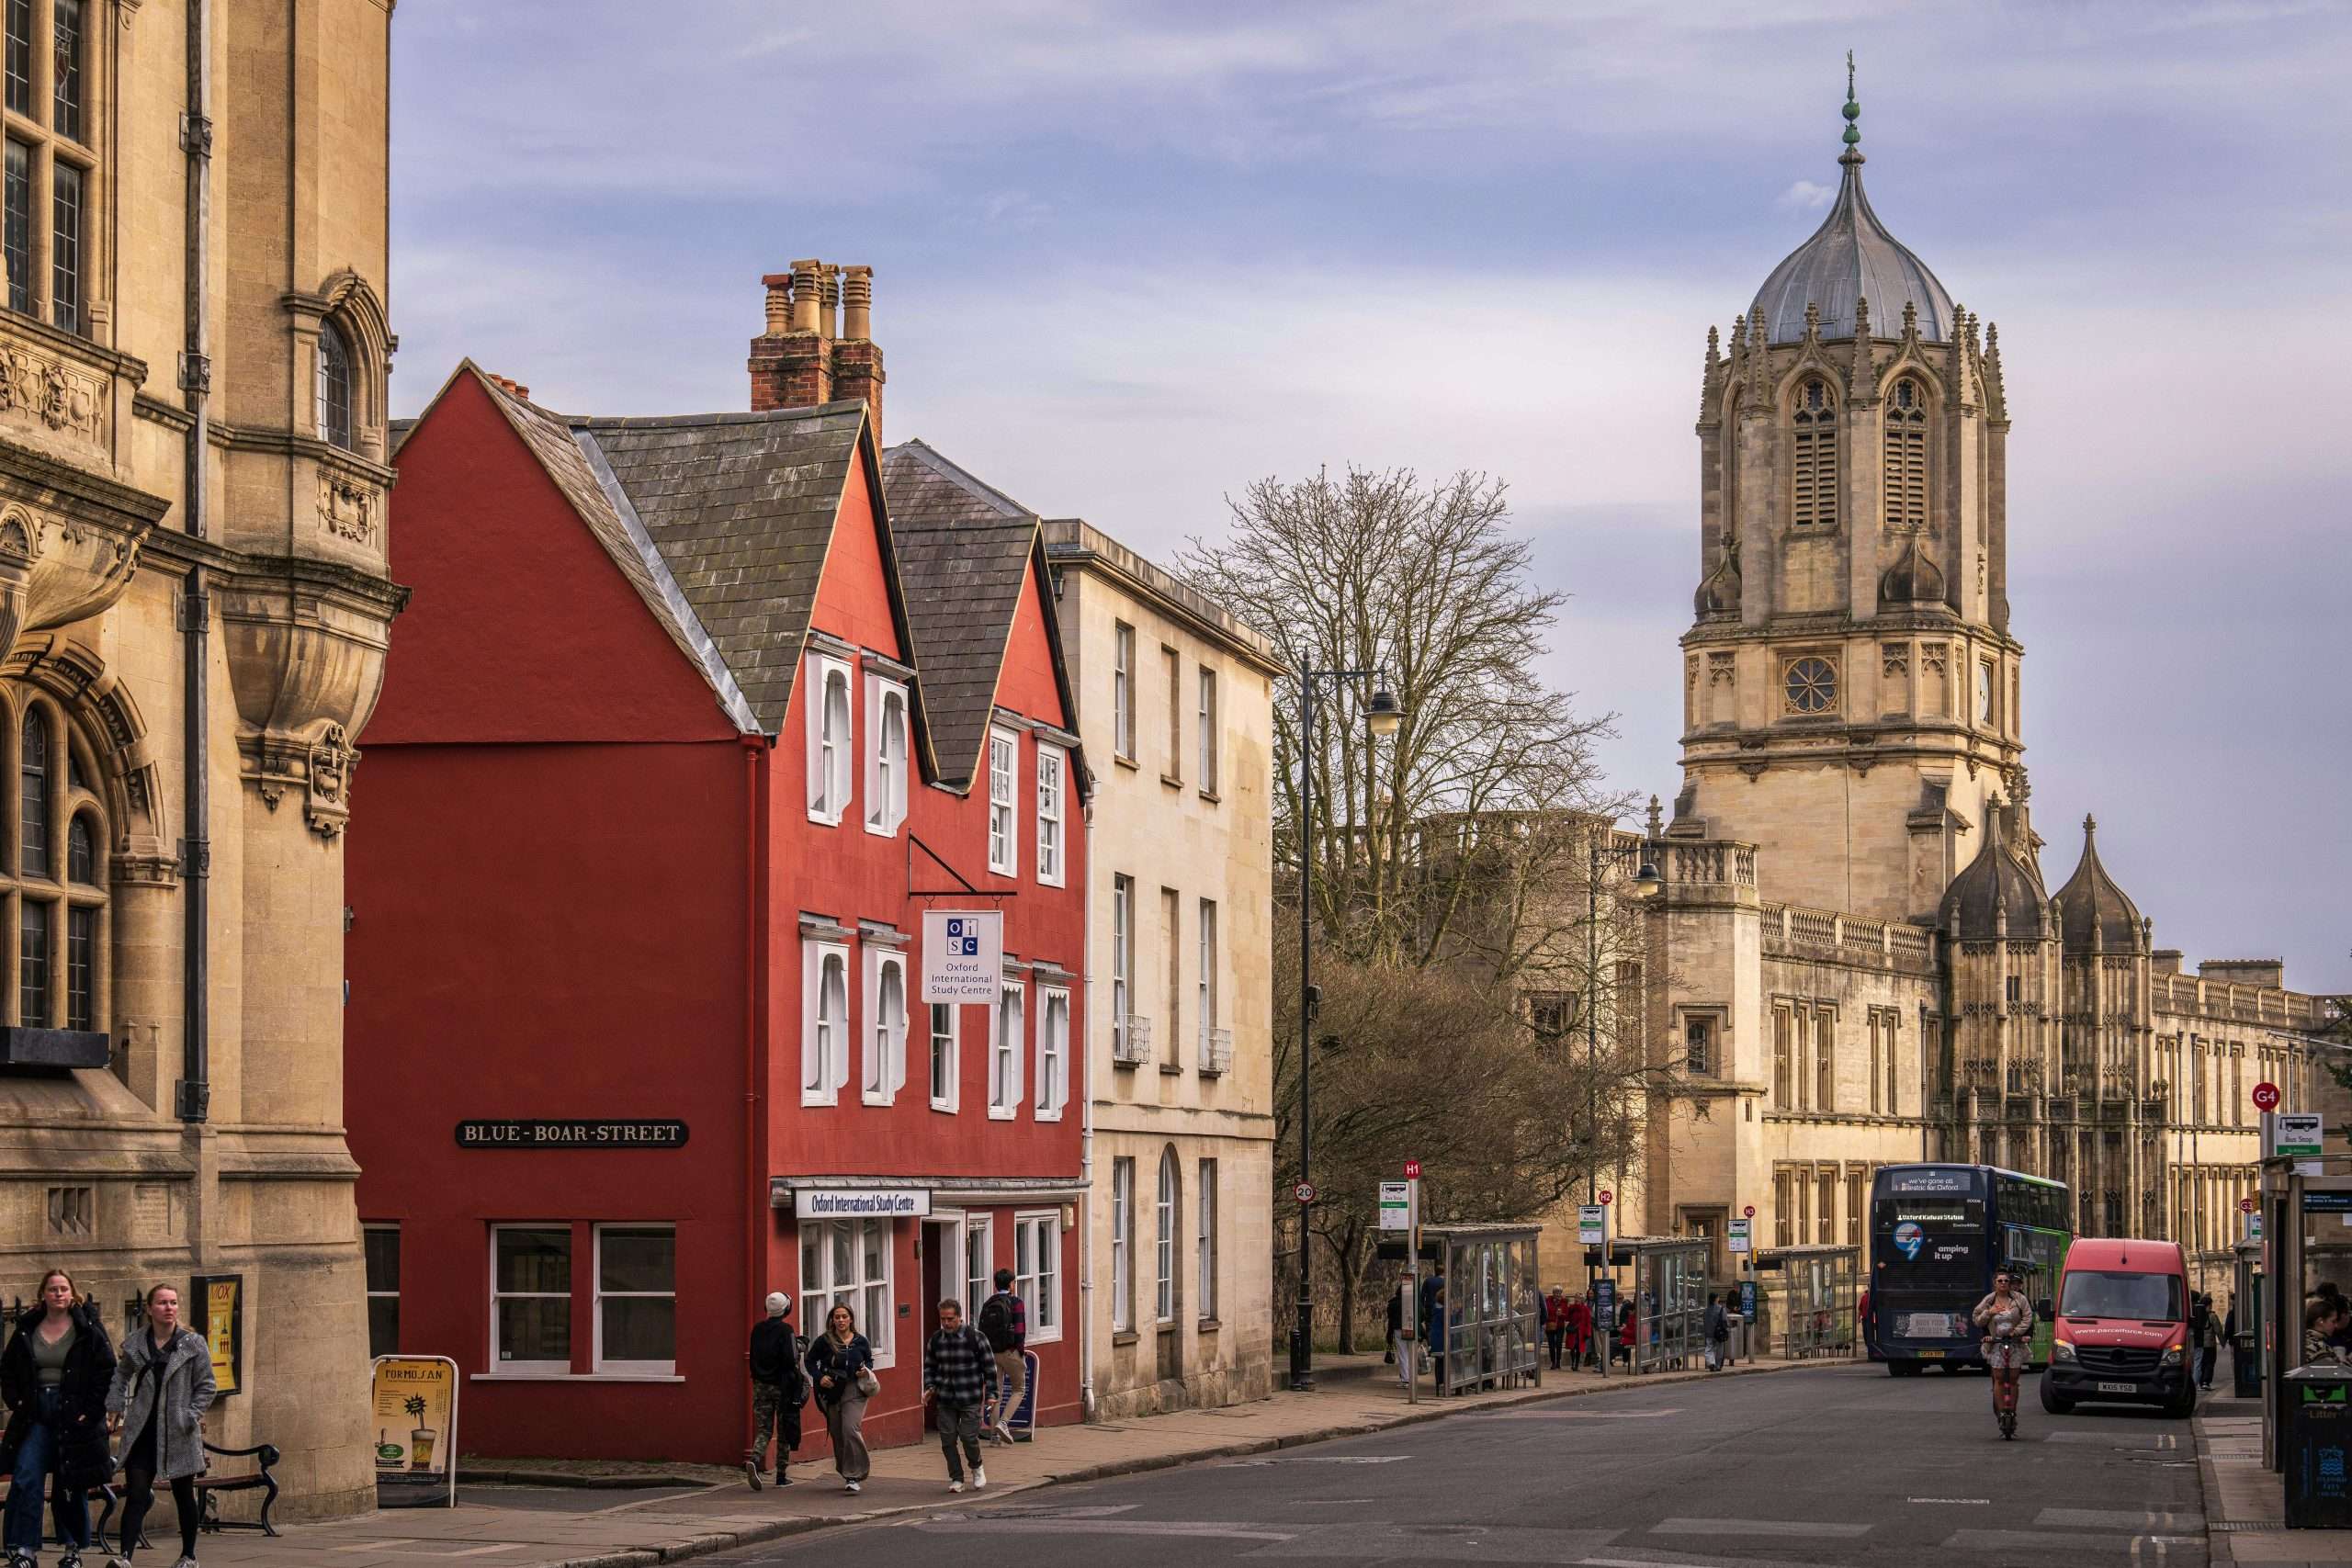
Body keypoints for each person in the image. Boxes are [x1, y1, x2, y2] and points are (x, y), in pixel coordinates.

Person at [3, 1269, 113, 1568]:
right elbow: (8, 1370)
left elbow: (106, 1370)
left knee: (69, 1482)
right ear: (43, 1295)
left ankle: (71, 1549)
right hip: (36, 1412)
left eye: (63, 1289)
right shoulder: (28, 1328)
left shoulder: (87, 1328)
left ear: (72, 1292)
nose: (59, 1294)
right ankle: (25, 1550)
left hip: (73, 1413)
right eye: (53, 1289)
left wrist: (89, 1411)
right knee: (26, 1476)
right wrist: (19, 1401)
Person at [104, 1282, 214, 1568]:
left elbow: (206, 1386)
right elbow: (120, 1376)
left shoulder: (193, 1343)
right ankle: (125, 1557)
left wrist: (190, 1415)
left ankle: (189, 1555)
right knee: (137, 1492)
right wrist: (115, 1405)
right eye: (163, 1303)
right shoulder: (137, 1342)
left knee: (183, 1493)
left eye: (174, 1303)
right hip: (143, 1430)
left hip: (178, 1430)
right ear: (150, 1309)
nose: (169, 1308)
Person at [922, 1298, 997, 1495]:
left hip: (970, 1395)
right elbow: (930, 1367)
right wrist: (929, 1387)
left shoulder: (976, 1338)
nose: (946, 1323)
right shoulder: (937, 1340)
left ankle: (976, 1466)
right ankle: (956, 1478)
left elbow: (989, 1368)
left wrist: (991, 1394)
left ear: (959, 1317)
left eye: (950, 1319)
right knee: (947, 1440)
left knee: (968, 1436)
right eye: (943, 1319)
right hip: (946, 1397)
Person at [803, 1303, 874, 1495]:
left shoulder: (861, 1341)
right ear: (832, 1320)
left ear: (851, 1319)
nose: (841, 1320)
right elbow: (809, 1361)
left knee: (850, 1428)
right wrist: (819, 1377)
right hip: (832, 1391)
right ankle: (845, 1470)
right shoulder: (825, 1341)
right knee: (837, 1432)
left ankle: (855, 1474)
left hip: (855, 1390)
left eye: (844, 1317)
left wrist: (864, 1370)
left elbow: (869, 1361)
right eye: (837, 1317)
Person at [744, 1291, 805, 1490]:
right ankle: (781, 1475)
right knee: (784, 1429)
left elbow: (753, 1357)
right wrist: (799, 1348)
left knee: (765, 1429)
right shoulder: (786, 1329)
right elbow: (790, 1359)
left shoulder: (757, 1329)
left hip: (760, 1385)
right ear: (787, 1309)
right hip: (782, 1386)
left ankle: (755, 1457)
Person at [1972, 1269, 2035, 1438]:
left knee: (2013, 1379)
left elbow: (2028, 1317)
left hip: (2014, 1343)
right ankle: (2001, 1414)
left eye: (2006, 1281)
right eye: (2000, 1281)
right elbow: (1976, 1319)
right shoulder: (1989, 1300)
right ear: (1995, 1283)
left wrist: (2018, 1332)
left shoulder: (2019, 1299)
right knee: (1999, 1379)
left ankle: (2012, 1413)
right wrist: (1989, 1312)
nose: (2003, 1283)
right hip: (1996, 1344)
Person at [976, 1269, 1026, 1445]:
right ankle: (1004, 1423)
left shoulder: (989, 1303)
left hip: (991, 1354)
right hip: (1010, 1352)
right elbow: (1020, 1330)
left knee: (994, 1393)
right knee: (1019, 1389)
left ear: (996, 1285)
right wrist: (1020, 1351)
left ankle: (993, 1437)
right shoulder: (1016, 1302)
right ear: (1011, 1284)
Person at [2304, 1296, 2351, 1366]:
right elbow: (2337, 1373)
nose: (2335, 1326)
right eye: (2333, 1321)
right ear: (2321, 1321)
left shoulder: (2304, 1339)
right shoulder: (2319, 1347)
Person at [2192, 1292, 2221, 1392]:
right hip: (2210, 1344)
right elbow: (2218, 1330)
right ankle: (2206, 1382)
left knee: (2201, 1363)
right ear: (2209, 1305)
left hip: (2199, 1343)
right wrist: (2222, 1341)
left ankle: (2200, 1382)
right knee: (2209, 1363)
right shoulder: (2212, 1316)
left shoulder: (2195, 1313)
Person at [1385, 1279, 1411, 1389]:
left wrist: (1389, 1334)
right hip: (1410, 1328)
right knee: (1410, 1353)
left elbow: (1390, 1319)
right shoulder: (1411, 1302)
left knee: (1403, 1354)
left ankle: (1405, 1379)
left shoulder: (1392, 1303)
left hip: (1397, 1329)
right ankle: (1410, 1377)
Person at [1542, 1286, 1570, 1371]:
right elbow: (1545, 1312)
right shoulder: (1548, 1301)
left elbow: (1567, 1316)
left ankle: (1558, 1362)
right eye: (1556, 1292)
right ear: (1553, 1293)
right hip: (1550, 1325)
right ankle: (1553, 1362)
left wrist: (1561, 1314)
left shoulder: (1564, 1302)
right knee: (1551, 1344)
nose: (1557, 1294)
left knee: (1558, 1344)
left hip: (1560, 1326)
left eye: (1559, 1292)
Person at [1564, 1291, 1592, 1371]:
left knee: (1578, 1349)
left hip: (1581, 1332)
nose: (1577, 1299)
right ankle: (1573, 1363)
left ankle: (1576, 1365)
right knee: (1572, 1348)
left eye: (1579, 1298)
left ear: (1582, 1299)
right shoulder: (1572, 1308)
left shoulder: (1585, 1309)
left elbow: (1588, 1321)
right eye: (1575, 1298)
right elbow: (1567, 1318)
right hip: (1573, 1331)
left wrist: (1588, 1332)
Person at [1703, 1292, 1730, 1371]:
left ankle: (1711, 1363)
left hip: (1709, 1332)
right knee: (1719, 1349)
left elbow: (1704, 1321)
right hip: (1719, 1333)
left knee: (1709, 1348)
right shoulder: (1721, 1309)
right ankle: (1718, 1365)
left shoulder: (1706, 1310)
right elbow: (1725, 1320)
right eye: (1718, 1297)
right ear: (1716, 1299)